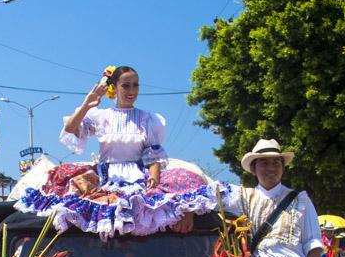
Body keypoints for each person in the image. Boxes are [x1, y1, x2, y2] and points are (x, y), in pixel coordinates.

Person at [16, 65, 218, 239]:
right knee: (63, 181)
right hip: (105, 176)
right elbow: (70, 128)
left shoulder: (147, 119)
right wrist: (87, 104)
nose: (132, 90)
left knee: (188, 179)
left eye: (135, 85)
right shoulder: (101, 116)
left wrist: (154, 179)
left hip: (139, 175)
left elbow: (153, 156)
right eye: (126, 85)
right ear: (114, 87)